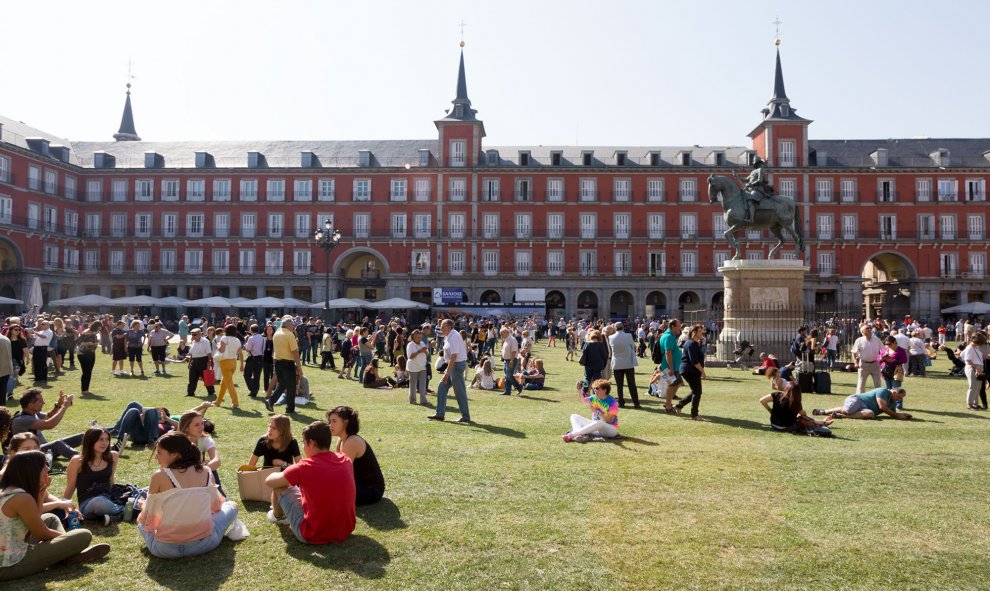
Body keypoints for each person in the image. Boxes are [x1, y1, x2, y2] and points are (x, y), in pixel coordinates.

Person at [0, 451, 111, 581]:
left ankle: (68, 555)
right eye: (43, 465)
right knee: (84, 535)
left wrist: (41, 493)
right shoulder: (22, 498)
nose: (48, 468)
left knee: (50, 518)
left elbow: (37, 515)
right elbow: (42, 534)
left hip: (11, 548)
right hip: (10, 564)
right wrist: (69, 540)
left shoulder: (9, 490)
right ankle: (70, 555)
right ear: (31, 470)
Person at [136, 432, 243, 558]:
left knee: (141, 522)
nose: (156, 458)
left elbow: (148, 517)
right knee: (231, 506)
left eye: (159, 452)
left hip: (164, 550)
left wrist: (143, 505)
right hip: (204, 544)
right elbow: (215, 507)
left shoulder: (159, 476)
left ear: (175, 455)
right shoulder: (206, 472)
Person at [264, 421, 356, 544]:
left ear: (311, 443)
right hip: (345, 530)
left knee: (280, 486)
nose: (303, 447)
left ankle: (278, 517)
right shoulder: (345, 459)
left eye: (303, 442)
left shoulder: (306, 467)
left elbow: (270, 482)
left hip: (312, 534)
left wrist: (280, 471)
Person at [62, 427, 123, 525]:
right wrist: (63, 507)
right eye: (100, 439)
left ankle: (109, 517)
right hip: (88, 504)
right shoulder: (77, 461)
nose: (105, 443)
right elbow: (71, 487)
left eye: (107, 439)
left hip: (108, 498)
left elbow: (111, 480)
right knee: (98, 502)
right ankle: (124, 511)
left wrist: (115, 495)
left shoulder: (113, 456)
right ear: (90, 441)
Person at [328, 406, 384, 505]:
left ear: (345, 422)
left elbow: (341, 473)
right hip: (358, 483)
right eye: (330, 421)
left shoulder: (353, 441)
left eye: (334, 421)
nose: (330, 425)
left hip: (371, 490)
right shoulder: (341, 440)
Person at [11, 389, 82, 459]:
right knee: (58, 444)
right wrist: (64, 407)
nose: (43, 402)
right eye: (40, 401)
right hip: (33, 452)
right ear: (30, 405)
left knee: (82, 436)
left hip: (43, 447)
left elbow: (48, 416)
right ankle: (82, 460)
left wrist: (59, 405)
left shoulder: (32, 412)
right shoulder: (23, 419)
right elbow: (49, 424)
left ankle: (90, 455)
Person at [427, 319, 472, 423]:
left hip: (456, 366)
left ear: (449, 326)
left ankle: (465, 416)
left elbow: (454, 356)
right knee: (442, 387)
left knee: (459, 392)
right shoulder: (450, 336)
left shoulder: (454, 337)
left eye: (442, 326)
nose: (440, 328)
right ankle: (440, 414)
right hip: (454, 366)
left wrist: (447, 373)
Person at [178, 410, 224, 497]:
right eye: (196, 425)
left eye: (202, 423)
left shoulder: (204, 440)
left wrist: (202, 469)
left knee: (211, 469)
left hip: (200, 472)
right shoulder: (178, 441)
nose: (201, 427)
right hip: (182, 475)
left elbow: (217, 461)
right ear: (186, 427)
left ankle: (218, 495)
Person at [759, 381, 833, 433]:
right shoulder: (796, 402)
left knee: (800, 417)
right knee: (803, 419)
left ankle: (822, 422)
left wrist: (770, 410)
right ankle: (822, 422)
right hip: (788, 427)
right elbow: (803, 414)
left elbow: (762, 400)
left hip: (774, 425)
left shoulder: (777, 395)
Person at [266, 316, 302, 414]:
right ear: (289, 325)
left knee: (282, 384)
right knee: (291, 386)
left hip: (277, 362)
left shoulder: (277, 333)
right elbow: (295, 352)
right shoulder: (290, 335)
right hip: (287, 363)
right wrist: (299, 366)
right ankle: (290, 409)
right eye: (293, 325)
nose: (294, 327)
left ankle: (271, 401)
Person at [563, 378, 619, 442]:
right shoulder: (594, 397)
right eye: (594, 388)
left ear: (604, 390)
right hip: (595, 427)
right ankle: (580, 435)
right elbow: (583, 401)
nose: (595, 390)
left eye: (597, 388)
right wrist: (579, 391)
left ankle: (572, 434)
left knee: (600, 422)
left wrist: (596, 412)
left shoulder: (612, 401)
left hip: (610, 429)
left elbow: (609, 420)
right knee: (574, 416)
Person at [813, 387, 912, 420]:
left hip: (866, 409)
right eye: (899, 397)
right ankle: (824, 411)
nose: (899, 400)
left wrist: (904, 415)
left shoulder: (893, 402)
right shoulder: (883, 391)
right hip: (858, 400)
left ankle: (840, 416)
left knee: (870, 414)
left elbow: (892, 413)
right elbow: (882, 407)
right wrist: (898, 416)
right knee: (848, 410)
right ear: (894, 392)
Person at [674, 324, 706, 420]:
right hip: (690, 370)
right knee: (697, 392)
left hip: (690, 370)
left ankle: (679, 405)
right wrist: (703, 372)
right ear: (694, 332)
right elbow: (694, 361)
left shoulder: (693, 343)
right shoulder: (691, 343)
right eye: (700, 331)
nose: (702, 333)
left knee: (696, 391)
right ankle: (694, 415)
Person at [608, 322, 640, 408]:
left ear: (615, 328)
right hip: (628, 363)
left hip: (617, 363)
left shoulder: (610, 337)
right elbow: (633, 346)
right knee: (632, 384)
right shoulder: (628, 336)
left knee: (619, 385)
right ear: (623, 327)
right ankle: (636, 403)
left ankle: (621, 403)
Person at [214, 324, 244, 409]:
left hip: (225, 362)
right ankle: (218, 401)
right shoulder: (237, 340)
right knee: (224, 383)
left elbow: (221, 350)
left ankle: (235, 403)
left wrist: (217, 346)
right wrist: (242, 365)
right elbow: (240, 354)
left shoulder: (224, 338)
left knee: (229, 384)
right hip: (234, 363)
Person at [658, 319, 684, 414]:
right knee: (671, 385)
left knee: (678, 383)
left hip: (674, 367)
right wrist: (671, 368)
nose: (680, 328)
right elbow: (668, 353)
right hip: (669, 367)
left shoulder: (670, 336)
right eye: (678, 326)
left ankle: (668, 403)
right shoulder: (668, 336)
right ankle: (668, 405)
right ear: (672, 327)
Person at [737, 156, 773, 223]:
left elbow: (760, 180)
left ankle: (751, 219)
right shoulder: (753, 171)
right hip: (752, 189)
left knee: (750, 201)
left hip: (758, 190)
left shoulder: (760, 169)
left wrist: (751, 184)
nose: (754, 164)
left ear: (757, 163)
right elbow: (746, 180)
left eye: (755, 163)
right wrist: (737, 176)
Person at [851, 324, 883, 394]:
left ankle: (878, 399)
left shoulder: (877, 340)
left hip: (875, 364)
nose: (869, 329)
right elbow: (853, 352)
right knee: (861, 384)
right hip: (863, 365)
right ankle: (859, 400)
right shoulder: (859, 340)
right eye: (867, 328)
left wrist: (881, 359)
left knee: (878, 385)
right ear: (862, 332)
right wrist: (855, 362)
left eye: (870, 328)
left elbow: (883, 350)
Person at [184, 328, 215, 399]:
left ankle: (211, 392)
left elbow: (209, 354)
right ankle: (190, 393)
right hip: (194, 361)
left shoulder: (205, 341)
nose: (193, 336)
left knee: (206, 377)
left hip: (203, 361)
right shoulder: (193, 342)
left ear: (200, 334)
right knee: (192, 378)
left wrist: (209, 364)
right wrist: (189, 363)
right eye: (192, 335)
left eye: (195, 335)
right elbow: (191, 354)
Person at [961, 332, 989, 410]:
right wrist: (976, 368)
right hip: (972, 369)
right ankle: (969, 404)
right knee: (973, 387)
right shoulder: (969, 348)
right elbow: (968, 360)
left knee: (978, 387)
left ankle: (975, 404)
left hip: (978, 368)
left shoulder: (975, 348)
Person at [76, 321, 100, 396]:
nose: (99, 329)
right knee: (86, 372)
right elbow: (79, 343)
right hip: (83, 354)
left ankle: (86, 389)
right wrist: (88, 343)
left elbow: (95, 342)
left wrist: (96, 343)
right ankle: (84, 390)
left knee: (89, 372)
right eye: (99, 328)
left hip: (91, 353)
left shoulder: (94, 333)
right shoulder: (85, 333)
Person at [405, 329, 429, 404]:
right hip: (413, 367)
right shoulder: (410, 345)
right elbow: (410, 356)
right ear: (413, 337)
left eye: (420, 337)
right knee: (413, 385)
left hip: (422, 367)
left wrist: (425, 351)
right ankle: (412, 400)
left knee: (423, 385)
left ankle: (423, 400)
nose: (419, 339)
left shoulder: (422, 343)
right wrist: (419, 351)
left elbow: (427, 354)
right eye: (417, 337)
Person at [499, 327, 521, 396]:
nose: (501, 335)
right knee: (507, 376)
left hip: (512, 360)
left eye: (502, 334)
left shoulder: (512, 340)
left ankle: (519, 386)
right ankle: (507, 391)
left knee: (509, 375)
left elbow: (514, 351)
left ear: (506, 333)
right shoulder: (506, 340)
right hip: (506, 360)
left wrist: (511, 360)